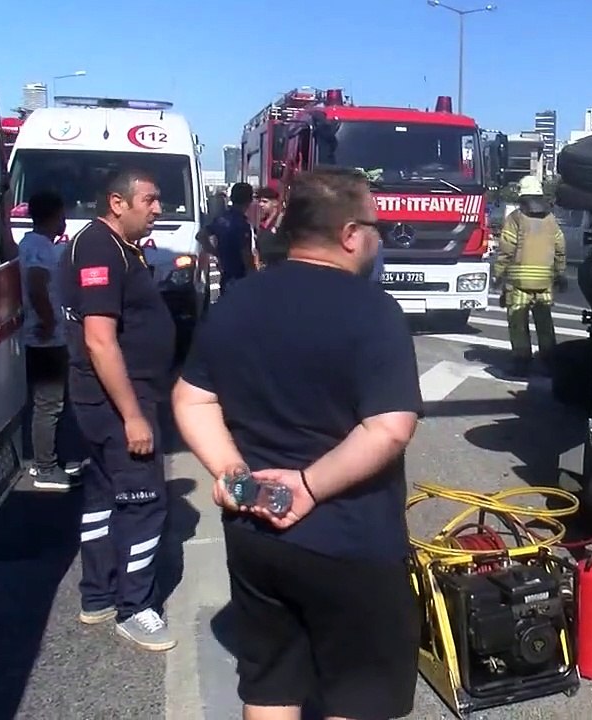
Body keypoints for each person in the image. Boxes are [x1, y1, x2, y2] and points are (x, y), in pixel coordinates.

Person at [172, 167, 422, 720]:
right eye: (377, 229)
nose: (379, 241)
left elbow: (190, 399)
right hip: (350, 541)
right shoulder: (374, 310)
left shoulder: (237, 301)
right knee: (356, 697)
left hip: (256, 536)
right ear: (351, 234)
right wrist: (309, 486)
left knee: (270, 688)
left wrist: (235, 476)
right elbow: (390, 427)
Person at [60, 168, 177, 651]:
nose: (158, 208)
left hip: (109, 400)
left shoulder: (119, 248)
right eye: (149, 200)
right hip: (117, 402)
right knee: (144, 504)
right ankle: (136, 608)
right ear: (117, 202)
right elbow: (100, 340)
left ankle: (99, 595)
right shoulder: (99, 248)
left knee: (103, 496)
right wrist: (132, 415)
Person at [20, 190, 86, 489]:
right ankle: (45, 468)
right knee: (49, 404)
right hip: (45, 339)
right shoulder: (38, 247)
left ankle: (50, 460)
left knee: (51, 403)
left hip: (47, 335)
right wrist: (48, 322)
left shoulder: (39, 244)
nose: (64, 222)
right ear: (53, 215)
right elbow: (36, 285)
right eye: (62, 215)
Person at [493, 176, 567, 377]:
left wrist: (498, 274)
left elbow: (506, 250)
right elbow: (560, 248)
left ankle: (522, 361)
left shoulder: (516, 218)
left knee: (517, 321)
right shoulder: (551, 220)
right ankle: (549, 360)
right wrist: (560, 273)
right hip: (544, 283)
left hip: (519, 283)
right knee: (544, 321)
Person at [197, 182, 255, 294]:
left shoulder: (221, 219)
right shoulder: (242, 224)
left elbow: (200, 236)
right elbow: (245, 254)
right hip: (240, 277)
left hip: (226, 276)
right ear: (249, 201)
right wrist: (253, 275)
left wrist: (215, 252)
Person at [252, 186, 285, 269]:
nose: (261, 204)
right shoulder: (262, 223)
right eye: (259, 201)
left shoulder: (282, 222)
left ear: (275, 203)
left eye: (265, 201)